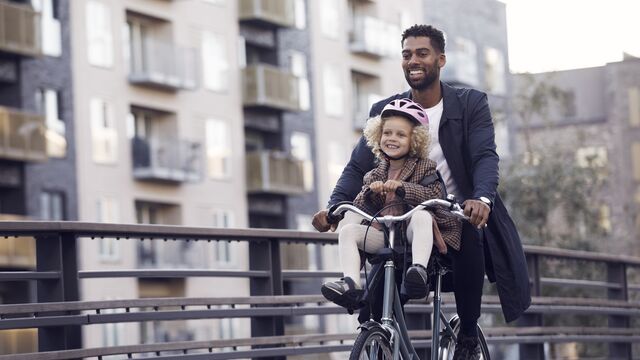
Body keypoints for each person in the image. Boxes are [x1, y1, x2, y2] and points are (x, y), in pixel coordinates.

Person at [312, 24, 531, 359]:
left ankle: (468, 337)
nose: (412, 60)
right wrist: (334, 207)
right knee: (372, 307)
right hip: (401, 218)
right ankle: (380, 334)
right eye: (406, 54)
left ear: (440, 59)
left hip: (456, 213)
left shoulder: (469, 104)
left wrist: (481, 198)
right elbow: (357, 169)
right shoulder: (387, 111)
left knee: (471, 235)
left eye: (421, 53)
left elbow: (485, 155)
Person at [321, 98, 461, 308]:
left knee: (422, 215)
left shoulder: (425, 167)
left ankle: (418, 273)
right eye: (387, 133)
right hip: (387, 236)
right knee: (349, 231)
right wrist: (369, 193)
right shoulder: (374, 173)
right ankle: (351, 283)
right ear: (378, 136)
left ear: (415, 140)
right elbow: (360, 205)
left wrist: (402, 188)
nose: (392, 139)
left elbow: (433, 194)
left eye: (401, 134)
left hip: (414, 235)